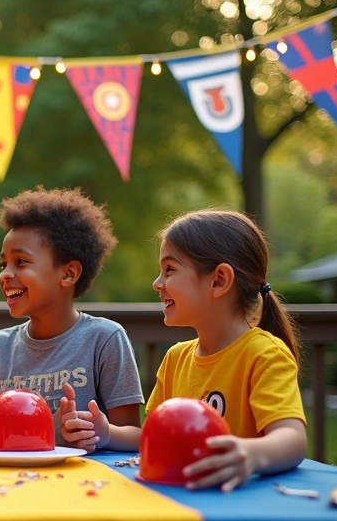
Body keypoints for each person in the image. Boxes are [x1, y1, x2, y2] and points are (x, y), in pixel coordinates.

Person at [74, 210, 306, 491]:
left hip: (240, 504)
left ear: (219, 280)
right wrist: (106, 432)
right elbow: (154, 438)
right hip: (178, 500)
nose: (157, 283)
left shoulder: (264, 354)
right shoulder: (175, 359)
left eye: (170, 270)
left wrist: (251, 455)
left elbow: (292, 439)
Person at [0, 187, 144, 450]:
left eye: (21, 262)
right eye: (3, 264)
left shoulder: (105, 339)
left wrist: (104, 433)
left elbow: (135, 436)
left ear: (69, 274)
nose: (5, 274)